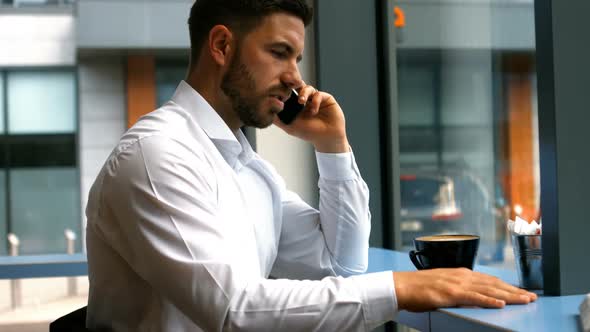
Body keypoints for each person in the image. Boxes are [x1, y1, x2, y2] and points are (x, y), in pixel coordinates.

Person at [85, 0, 537, 331]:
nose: (296, 79)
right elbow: (232, 311)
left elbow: (343, 264)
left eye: (296, 59)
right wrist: (403, 288)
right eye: (280, 53)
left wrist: (333, 148)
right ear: (221, 45)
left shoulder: (245, 165)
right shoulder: (157, 156)